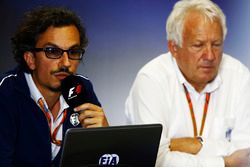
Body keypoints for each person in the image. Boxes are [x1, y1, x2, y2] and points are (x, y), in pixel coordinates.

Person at [125, 0, 250, 166]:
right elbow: (155, 160)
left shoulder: (239, 76)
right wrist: (224, 163)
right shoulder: (152, 80)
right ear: (174, 48)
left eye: (216, 44)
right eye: (198, 45)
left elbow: (246, 157)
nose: (210, 56)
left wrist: (194, 144)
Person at [0, 7, 109, 167]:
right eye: (53, 51)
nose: (66, 63)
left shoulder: (82, 88)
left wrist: (105, 137)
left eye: (73, 51)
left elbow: (99, 160)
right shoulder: (6, 94)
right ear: (30, 58)